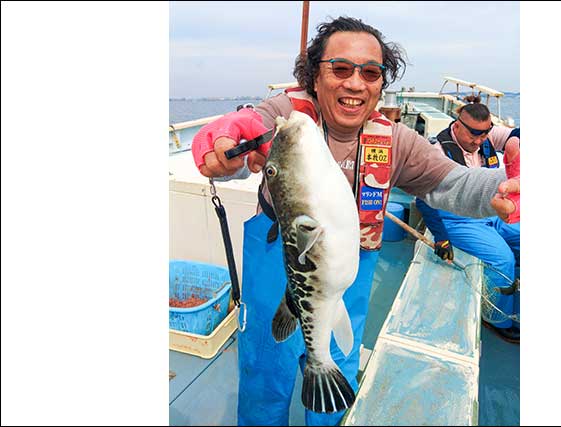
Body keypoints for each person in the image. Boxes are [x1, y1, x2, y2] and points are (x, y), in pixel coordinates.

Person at [191, 16, 520, 426]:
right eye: (340, 69)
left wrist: (500, 189)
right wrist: (221, 142)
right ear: (314, 76)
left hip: (349, 275)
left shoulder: (396, 140)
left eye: (370, 72)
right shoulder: (289, 119)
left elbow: (452, 184)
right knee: (263, 375)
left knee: (337, 368)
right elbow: (240, 130)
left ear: (381, 83)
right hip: (276, 264)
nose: (354, 83)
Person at [415, 96, 521, 343]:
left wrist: (516, 143)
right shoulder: (438, 151)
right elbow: (423, 198)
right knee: (501, 259)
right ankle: (496, 317)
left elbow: (516, 133)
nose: (478, 141)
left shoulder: (485, 136)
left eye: (484, 135)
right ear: (458, 125)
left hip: (489, 211)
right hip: (457, 218)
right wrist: (441, 238)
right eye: (473, 135)